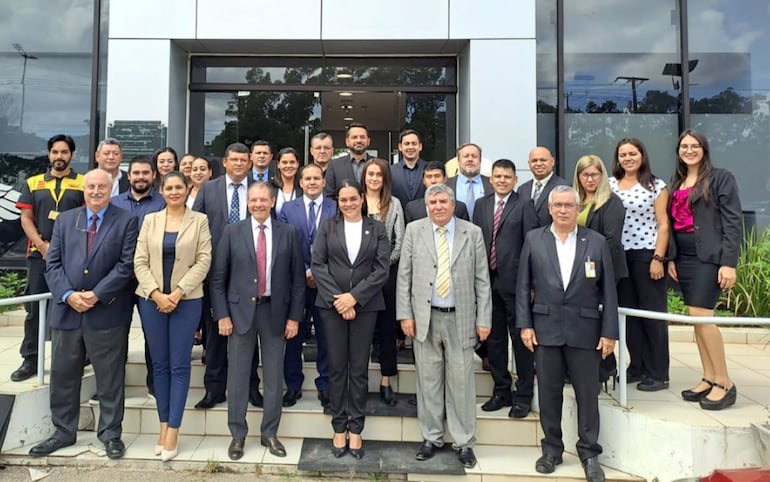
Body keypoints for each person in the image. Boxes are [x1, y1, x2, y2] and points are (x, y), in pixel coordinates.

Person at [30, 169, 138, 459]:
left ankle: (111, 434)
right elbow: (52, 264)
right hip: (67, 313)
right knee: (63, 377)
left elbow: (126, 266)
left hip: (106, 313)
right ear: (84, 189)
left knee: (110, 378)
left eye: (102, 186)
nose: (95, 191)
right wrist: (68, 294)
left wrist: (96, 294)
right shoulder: (66, 220)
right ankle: (63, 432)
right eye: (91, 186)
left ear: (110, 189)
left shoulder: (126, 220)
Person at [516, 185, 618, 482]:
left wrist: (609, 332)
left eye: (568, 205)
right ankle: (551, 450)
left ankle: (589, 453)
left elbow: (609, 291)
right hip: (545, 329)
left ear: (577, 209)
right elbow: (523, 285)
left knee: (588, 395)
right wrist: (525, 324)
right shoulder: (534, 239)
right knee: (548, 394)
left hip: (586, 330)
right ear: (549, 209)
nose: (562, 210)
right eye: (557, 205)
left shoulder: (596, 242)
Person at [397, 183, 491, 469]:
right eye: (433, 202)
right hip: (425, 318)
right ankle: (431, 437)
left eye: (442, 202)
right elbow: (404, 275)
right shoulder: (415, 230)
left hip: (460, 318)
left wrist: (483, 319)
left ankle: (463, 442)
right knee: (428, 382)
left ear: (453, 205)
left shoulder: (471, 232)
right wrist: (405, 314)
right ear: (427, 205)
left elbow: (482, 280)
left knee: (462, 383)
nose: (437, 206)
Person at [211, 182, 305, 460]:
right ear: (248, 203)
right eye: (253, 200)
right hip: (239, 316)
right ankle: (238, 435)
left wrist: (294, 318)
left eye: (263, 200)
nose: (258, 204)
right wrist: (223, 315)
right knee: (238, 377)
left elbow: (298, 281)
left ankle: (269, 433)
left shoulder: (288, 233)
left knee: (274, 378)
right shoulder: (232, 232)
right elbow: (218, 280)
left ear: (273, 202)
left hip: (275, 313)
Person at [133, 171, 211, 461]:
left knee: (179, 365)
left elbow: (204, 260)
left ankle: (174, 430)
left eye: (180, 187)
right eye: (169, 188)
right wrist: (155, 294)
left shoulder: (199, 220)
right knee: (160, 365)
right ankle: (162, 425)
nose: (175, 192)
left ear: (187, 189)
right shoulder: (150, 220)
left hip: (187, 301)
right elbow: (139, 260)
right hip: (151, 301)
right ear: (161, 191)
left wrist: (177, 293)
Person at [311, 180, 390, 460]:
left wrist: (354, 298)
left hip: (365, 308)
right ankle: (338, 426)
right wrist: (339, 299)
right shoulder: (328, 227)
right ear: (337, 202)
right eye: (343, 200)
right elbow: (318, 264)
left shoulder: (377, 228)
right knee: (336, 368)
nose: (348, 204)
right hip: (331, 307)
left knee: (358, 369)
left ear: (361, 198)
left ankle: (356, 429)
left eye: (353, 198)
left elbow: (381, 269)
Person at [668, 130, 741, 410]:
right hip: (684, 257)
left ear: (704, 149)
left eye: (694, 146)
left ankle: (725, 382)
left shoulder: (720, 178)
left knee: (703, 317)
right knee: (695, 318)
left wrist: (728, 262)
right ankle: (708, 377)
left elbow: (733, 222)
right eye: (684, 146)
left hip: (708, 257)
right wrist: (672, 258)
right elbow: (673, 224)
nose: (689, 150)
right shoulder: (677, 182)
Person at [192, 143, 261, 409]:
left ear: (250, 162)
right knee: (215, 333)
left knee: (248, 331)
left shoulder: (259, 190)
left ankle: (251, 388)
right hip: (215, 272)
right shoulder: (208, 189)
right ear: (225, 161)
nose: (239, 164)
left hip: (250, 272)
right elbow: (196, 224)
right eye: (234, 160)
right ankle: (214, 389)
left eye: (244, 160)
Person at [12, 134, 84, 382]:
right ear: (49, 154)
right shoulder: (33, 183)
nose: (59, 157)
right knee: (34, 309)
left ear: (72, 155)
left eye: (64, 152)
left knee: (72, 305)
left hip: (73, 256)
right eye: (55, 152)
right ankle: (30, 359)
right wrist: (43, 246)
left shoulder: (84, 183)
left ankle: (74, 358)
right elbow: (25, 218)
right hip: (38, 254)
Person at [474, 159, 538, 418]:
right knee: (494, 339)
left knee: (520, 341)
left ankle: (523, 396)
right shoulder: (481, 205)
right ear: (491, 179)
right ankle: (502, 390)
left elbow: (531, 245)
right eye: (497, 176)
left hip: (515, 283)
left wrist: (531, 283)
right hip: (487, 282)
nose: (501, 180)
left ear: (514, 179)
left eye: (507, 177)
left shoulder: (524, 204)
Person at [610, 137, 670, 392]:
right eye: (623, 154)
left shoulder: (656, 185)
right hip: (619, 256)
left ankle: (658, 372)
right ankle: (637, 366)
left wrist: (658, 258)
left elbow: (664, 224)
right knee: (629, 315)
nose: (628, 158)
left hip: (646, 254)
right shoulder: (611, 184)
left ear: (642, 156)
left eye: (632, 153)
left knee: (651, 315)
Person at [278, 164, 337, 409]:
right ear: (300, 183)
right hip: (296, 283)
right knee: (293, 336)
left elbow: (340, 242)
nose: (312, 182)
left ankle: (325, 385)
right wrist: (305, 271)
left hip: (327, 283)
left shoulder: (336, 207)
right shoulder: (286, 209)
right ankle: (293, 385)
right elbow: (283, 244)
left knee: (326, 337)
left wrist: (318, 272)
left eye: (316, 178)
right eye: (307, 179)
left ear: (324, 182)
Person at [110, 156, 167, 398]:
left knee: (153, 334)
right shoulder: (114, 203)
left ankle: (155, 385)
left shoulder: (164, 202)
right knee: (115, 334)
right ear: (129, 176)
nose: (141, 177)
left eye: (146, 173)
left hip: (153, 280)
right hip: (119, 279)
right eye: (136, 173)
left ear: (153, 175)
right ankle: (112, 387)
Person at [573, 154, 628, 388]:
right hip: (579, 270)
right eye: (585, 174)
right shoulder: (576, 200)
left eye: (595, 174)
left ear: (602, 175)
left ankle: (605, 369)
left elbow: (611, 240)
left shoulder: (611, 201)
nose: (590, 179)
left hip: (603, 269)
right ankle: (593, 367)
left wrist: (593, 267)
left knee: (598, 320)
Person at [362, 158, 405, 406]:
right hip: (358, 277)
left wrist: (383, 265)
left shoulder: (395, 204)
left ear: (384, 178)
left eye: (379, 174)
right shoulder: (355, 198)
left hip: (386, 275)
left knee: (387, 330)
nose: (374, 178)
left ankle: (386, 381)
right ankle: (360, 382)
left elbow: (399, 240)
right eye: (371, 174)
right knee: (361, 332)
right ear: (364, 177)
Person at [517, 146, 570, 227]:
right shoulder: (522, 189)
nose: (538, 164)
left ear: (552, 162)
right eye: (534, 160)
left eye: (543, 160)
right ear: (529, 164)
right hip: (527, 239)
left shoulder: (564, 187)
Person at [404, 161, 469, 223]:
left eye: (437, 176)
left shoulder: (460, 208)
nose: (433, 181)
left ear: (445, 179)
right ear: (423, 180)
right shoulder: (412, 209)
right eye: (429, 177)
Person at [324, 123, 373, 197]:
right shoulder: (334, 165)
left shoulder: (381, 165)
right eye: (354, 137)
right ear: (347, 141)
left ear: (368, 141)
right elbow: (329, 196)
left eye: (362, 137)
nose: (359, 140)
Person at [446, 143, 492, 220]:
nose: (470, 159)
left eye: (474, 156)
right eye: (466, 156)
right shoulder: (447, 185)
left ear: (480, 161)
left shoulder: (492, 184)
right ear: (458, 161)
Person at [390, 129, 426, 205]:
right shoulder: (390, 171)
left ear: (420, 146)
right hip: (399, 215)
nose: (410, 147)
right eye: (407, 144)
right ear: (400, 147)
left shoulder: (429, 169)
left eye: (414, 143)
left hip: (424, 215)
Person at [271, 147, 302, 216]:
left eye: (292, 162)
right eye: (284, 162)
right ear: (278, 165)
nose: (288, 166)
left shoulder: (303, 188)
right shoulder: (269, 187)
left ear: (297, 164)